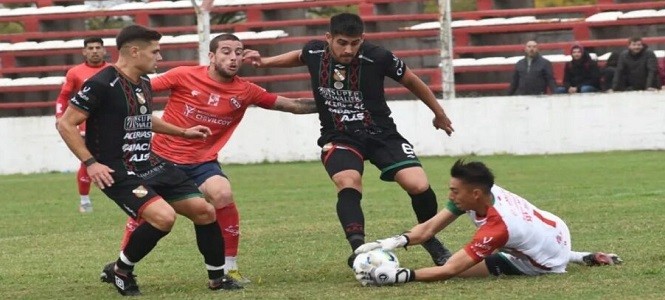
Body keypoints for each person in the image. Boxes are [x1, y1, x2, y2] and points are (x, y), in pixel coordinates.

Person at [244, 12, 455, 268]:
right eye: (342, 42)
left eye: (355, 43)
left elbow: (411, 80)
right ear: (328, 38)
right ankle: (360, 251)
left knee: (418, 185)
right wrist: (264, 62)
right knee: (348, 181)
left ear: (362, 39)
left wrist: (439, 113)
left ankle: (430, 239)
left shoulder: (378, 56)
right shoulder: (314, 52)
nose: (348, 49)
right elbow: (298, 56)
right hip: (339, 135)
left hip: (380, 133)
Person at [56, 25, 242, 296]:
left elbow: (143, 117)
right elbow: (66, 124)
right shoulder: (101, 83)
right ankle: (121, 270)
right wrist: (91, 162)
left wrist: (182, 132)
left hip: (151, 163)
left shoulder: (142, 82)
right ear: (134, 51)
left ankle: (218, 279)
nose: (160, 57)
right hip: (117, 170)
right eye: (155, 51)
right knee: (164, 218)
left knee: (205, 211)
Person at [117, 33, 317, 284]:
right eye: (226, 51)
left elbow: (292, 105)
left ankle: (228, 268)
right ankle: (120, 266)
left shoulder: (246, 91)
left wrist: (327, 102)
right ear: (211, 56)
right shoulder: (183, 75)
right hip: (161, 160)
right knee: (147, 213)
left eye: (238, 52)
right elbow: (139, 88)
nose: (233, 57)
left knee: (222, 193)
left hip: (202, 162)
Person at [353, 159, 622, 286]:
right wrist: (389, 242)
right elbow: (429, 229)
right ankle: (580, 256)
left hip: (544, 261)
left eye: (454, 191)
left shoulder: (497, 228)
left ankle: (569, 258)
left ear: (475, 194)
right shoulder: (482, 195)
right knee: (517, 243)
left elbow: (449, 270)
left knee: (451, 266)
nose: (450, 196)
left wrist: (401, 276)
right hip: (554, 228)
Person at [55, 37, 108, 213]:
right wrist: (60, 117)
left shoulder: (113, 70)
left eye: (98, 47)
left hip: (112, 123)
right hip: (86, 125)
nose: (94, 51)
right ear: (84, 51)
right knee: (87, 161)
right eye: (90, 48)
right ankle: (85, 201)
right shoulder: (75, 72)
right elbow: (63, 97)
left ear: (104, 50)